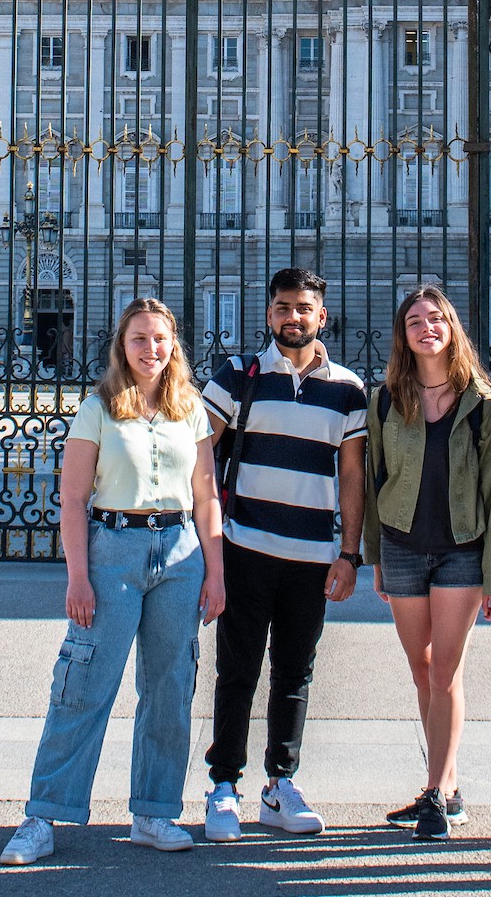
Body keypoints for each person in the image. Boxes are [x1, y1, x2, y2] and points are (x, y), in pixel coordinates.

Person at [0, 298, 225, 866]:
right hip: (113, 550)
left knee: (171, 689)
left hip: (180, 553)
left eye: (160, 339)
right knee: (83, 684)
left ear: (174, 346)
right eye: (139, 339)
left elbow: (207, 497)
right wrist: (78, 576)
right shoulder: (97, 409)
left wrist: (215, 571)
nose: (151, 349)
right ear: (121, 347)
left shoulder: (190, 410)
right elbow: (72, 500)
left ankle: (154, 810)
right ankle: (43, 814)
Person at [200, 268, 367, 841]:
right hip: (246, 546)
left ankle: (280, 783)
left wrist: (350, 552)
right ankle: (224, 784)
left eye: (303, 308)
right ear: (269, 314)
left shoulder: (347, 389)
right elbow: (200, 452)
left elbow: (351, 473)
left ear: (322, 316)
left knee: (295, 674)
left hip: (313, 554)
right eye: (282, 307)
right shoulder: (237, 376)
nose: (292, 317)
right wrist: (209, 539)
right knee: (237, 671)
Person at [364, 284, 491, 841]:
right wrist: (375, 556)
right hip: (402, 547)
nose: (426, 328)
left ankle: (434, 795)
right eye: (414, 322)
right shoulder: (385, 402)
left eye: (435, 318)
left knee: (446, 671)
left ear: (451, 328)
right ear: (403, 336)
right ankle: (448, 787)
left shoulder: (482, 406)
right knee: (422, 669)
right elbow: (377, 478)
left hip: (462, 551)